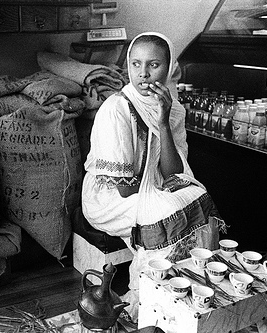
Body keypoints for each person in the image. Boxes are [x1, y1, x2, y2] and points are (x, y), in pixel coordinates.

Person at [81, 32, 225, 322]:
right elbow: (123, 190)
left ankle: (190, 289)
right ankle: (146, 298)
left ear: (169, 67)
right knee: (169, 210)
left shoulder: (174, 110)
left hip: (155, 186)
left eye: (154, 65)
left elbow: (174, 172)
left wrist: (162, 121)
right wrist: (161, 195)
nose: (143, 74)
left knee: (198, 195)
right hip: (109, 196)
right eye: (135, 64)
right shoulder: (116, 109)